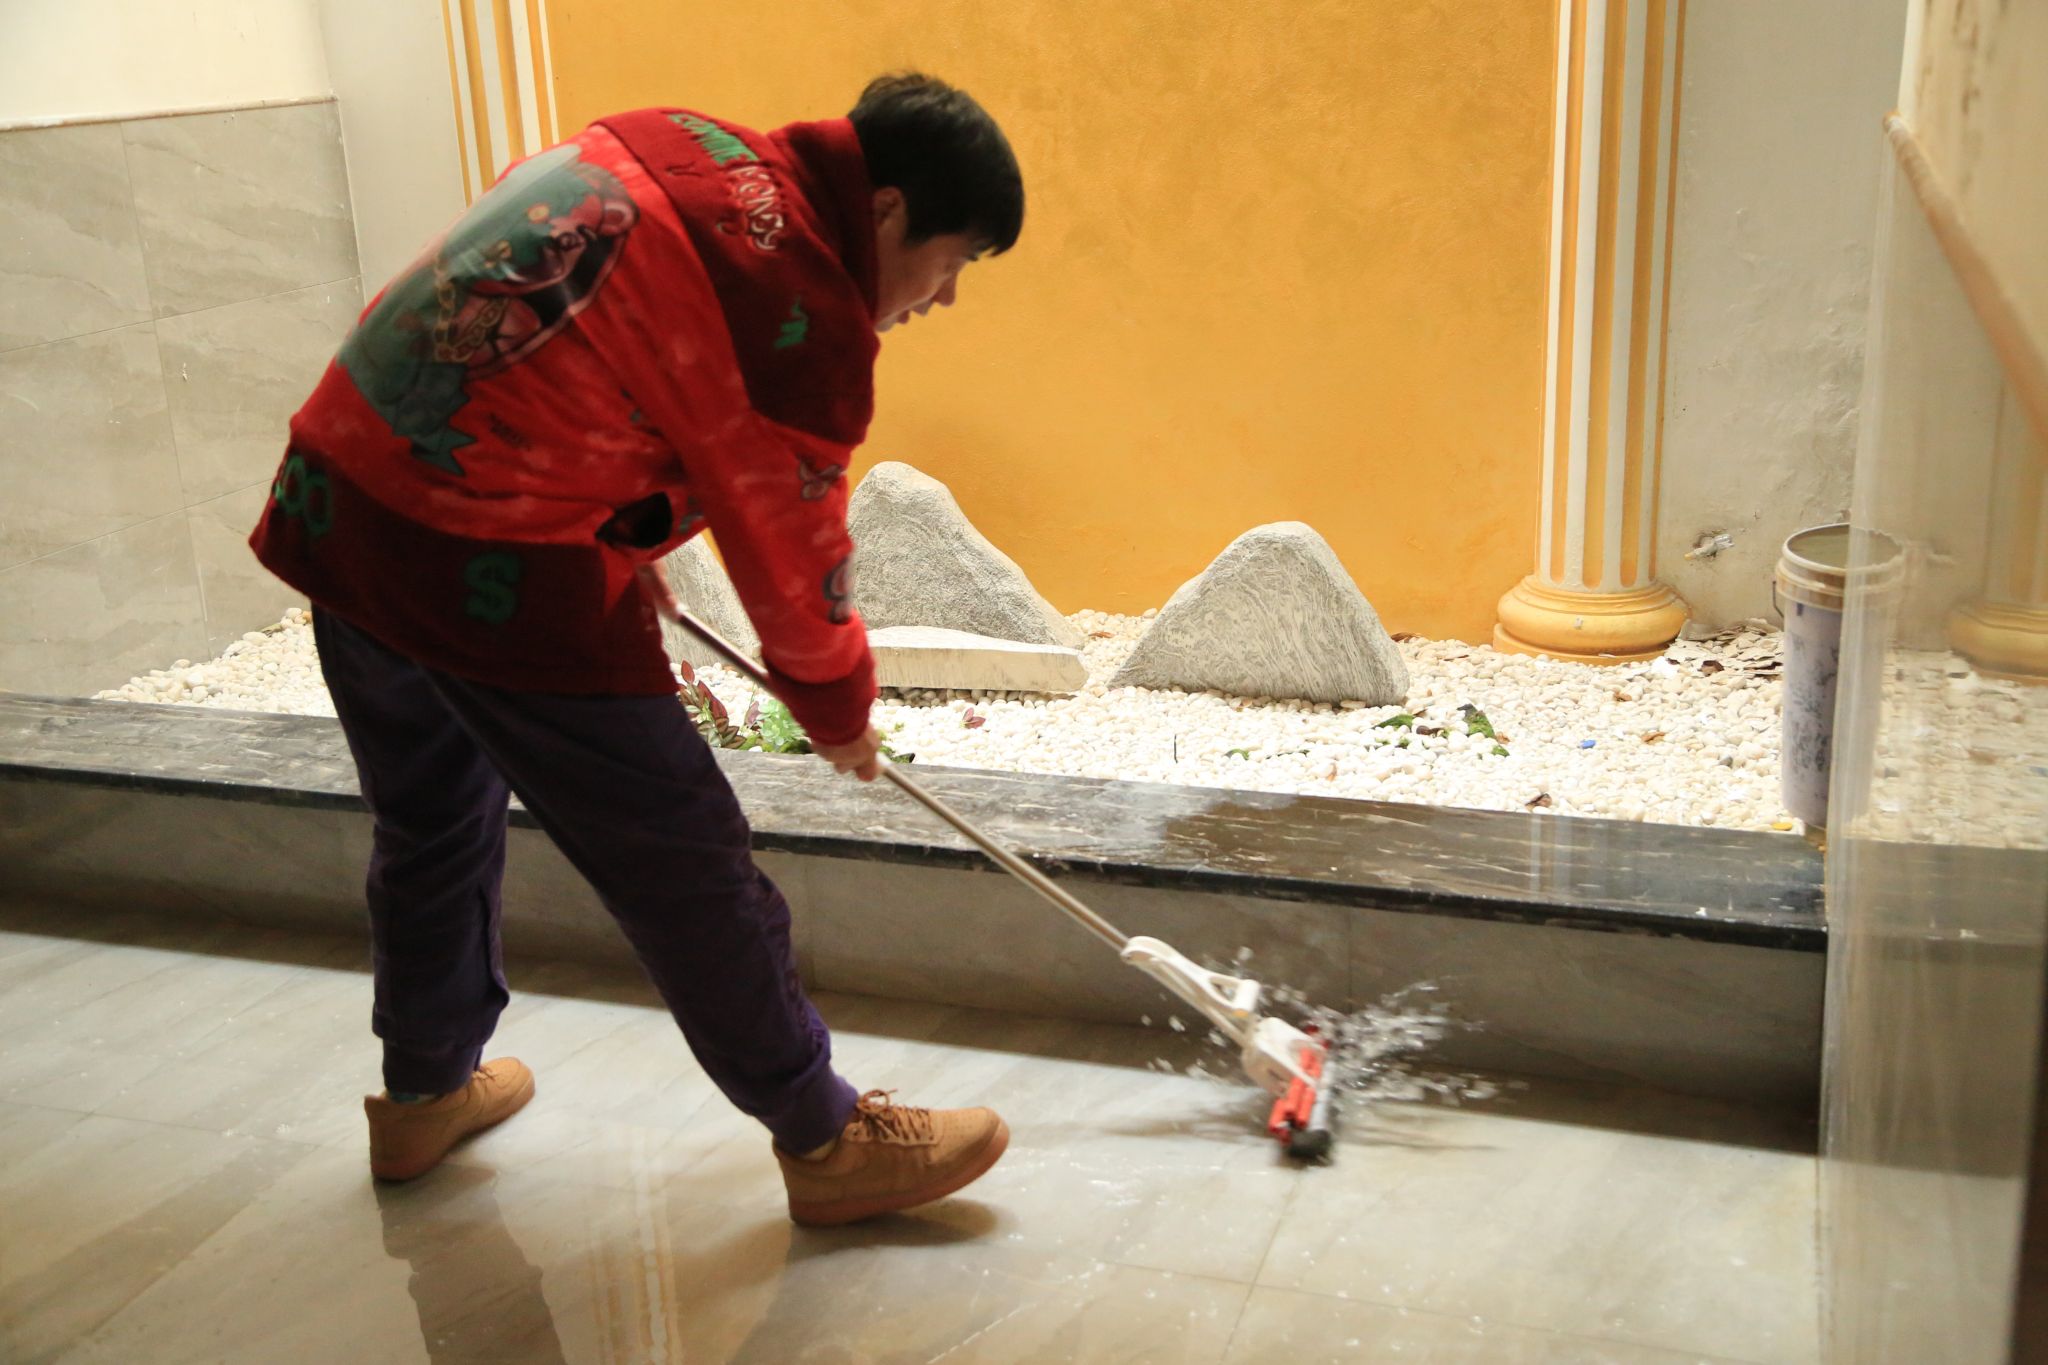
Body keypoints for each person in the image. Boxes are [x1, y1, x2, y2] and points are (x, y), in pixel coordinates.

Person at [248, 73, 1023, 1226]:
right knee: (684, 856)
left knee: (429, 819)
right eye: (953, 262)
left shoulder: (681, 142)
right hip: (488, 559)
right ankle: (826, 1142)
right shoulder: (794, 305)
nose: (945, 296)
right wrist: (836, 709)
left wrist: (622, 521)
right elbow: (793, 551)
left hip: (345, 492)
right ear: (888, 211)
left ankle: (422, 1093)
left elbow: (578, 344)